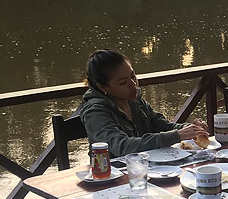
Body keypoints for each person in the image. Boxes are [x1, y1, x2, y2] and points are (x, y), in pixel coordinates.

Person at [80, 50, 209, 157]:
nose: (133, 84)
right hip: (113, 177)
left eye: (132, 75)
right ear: (102, 87)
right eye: (123, 83)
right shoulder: (95, 112)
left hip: (145, 167)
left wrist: (189, 129)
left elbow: (161, 125)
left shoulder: (134, 99)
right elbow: (122, 146)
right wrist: (177, 135)